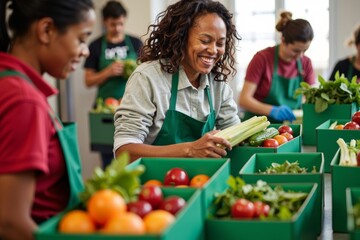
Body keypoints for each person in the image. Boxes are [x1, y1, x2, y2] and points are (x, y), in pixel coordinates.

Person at [0, 0, 95, 239]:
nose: (86, 51)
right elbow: (10, 223)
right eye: (82, 39)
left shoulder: (11, 83)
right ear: (46, 30)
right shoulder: (24, 100)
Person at [113, 0, 241, 162]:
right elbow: (124, 152)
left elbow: (236, 136)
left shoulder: (218, 85)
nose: (213, 50)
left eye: (220, 43)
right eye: (205, 41)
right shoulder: (148, 78)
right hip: (153, 183)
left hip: (201, 180)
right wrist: (190, 149)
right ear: (181, 37)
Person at [84, 0, 143, 168]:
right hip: (106, 112)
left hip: (132, 109)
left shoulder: (135, 43)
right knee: (108, 160)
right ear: (104, 22)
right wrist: (107, 72)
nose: (117, 28)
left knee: (133, 155)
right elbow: (88, 81)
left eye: (120, 24)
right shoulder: (95, 46)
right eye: (112, 24)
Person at [239, 11, 316, 123]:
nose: (301, 55)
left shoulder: (306, 63)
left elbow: (309, 98)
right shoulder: (262, 59)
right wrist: (272, 110)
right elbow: (244, 99)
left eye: (305, 50)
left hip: (289, 127)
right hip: (258, 125)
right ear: (283, 40)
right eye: (296, 50)